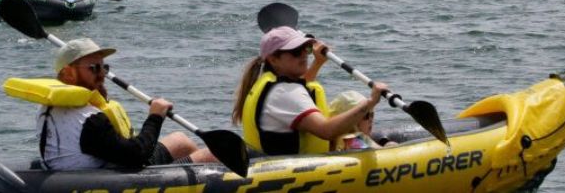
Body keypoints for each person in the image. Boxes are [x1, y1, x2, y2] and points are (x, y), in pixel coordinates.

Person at [23, 38, 211, 170]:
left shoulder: (47, 108)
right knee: (211, 157)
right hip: (108, 178)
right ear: (69, 74)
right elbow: (137, 155)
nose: (102, 75)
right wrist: (155, 116)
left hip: (96, 165)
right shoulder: (89, 120)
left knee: (180, 140)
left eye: (104, 67)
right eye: (94, 68)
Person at [232, 26, 387, 156]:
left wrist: (318, 63)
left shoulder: (268, 81)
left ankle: (378, 148)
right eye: (295, 52)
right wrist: (370, 102)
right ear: (273, 59)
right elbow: (327, 131)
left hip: (276, 159)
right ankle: (383, 152)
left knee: (349, 104)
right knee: (356, 112)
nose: (304, 55)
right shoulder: (284, 92)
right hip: (295, 169)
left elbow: (300, 88)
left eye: (305, 49)